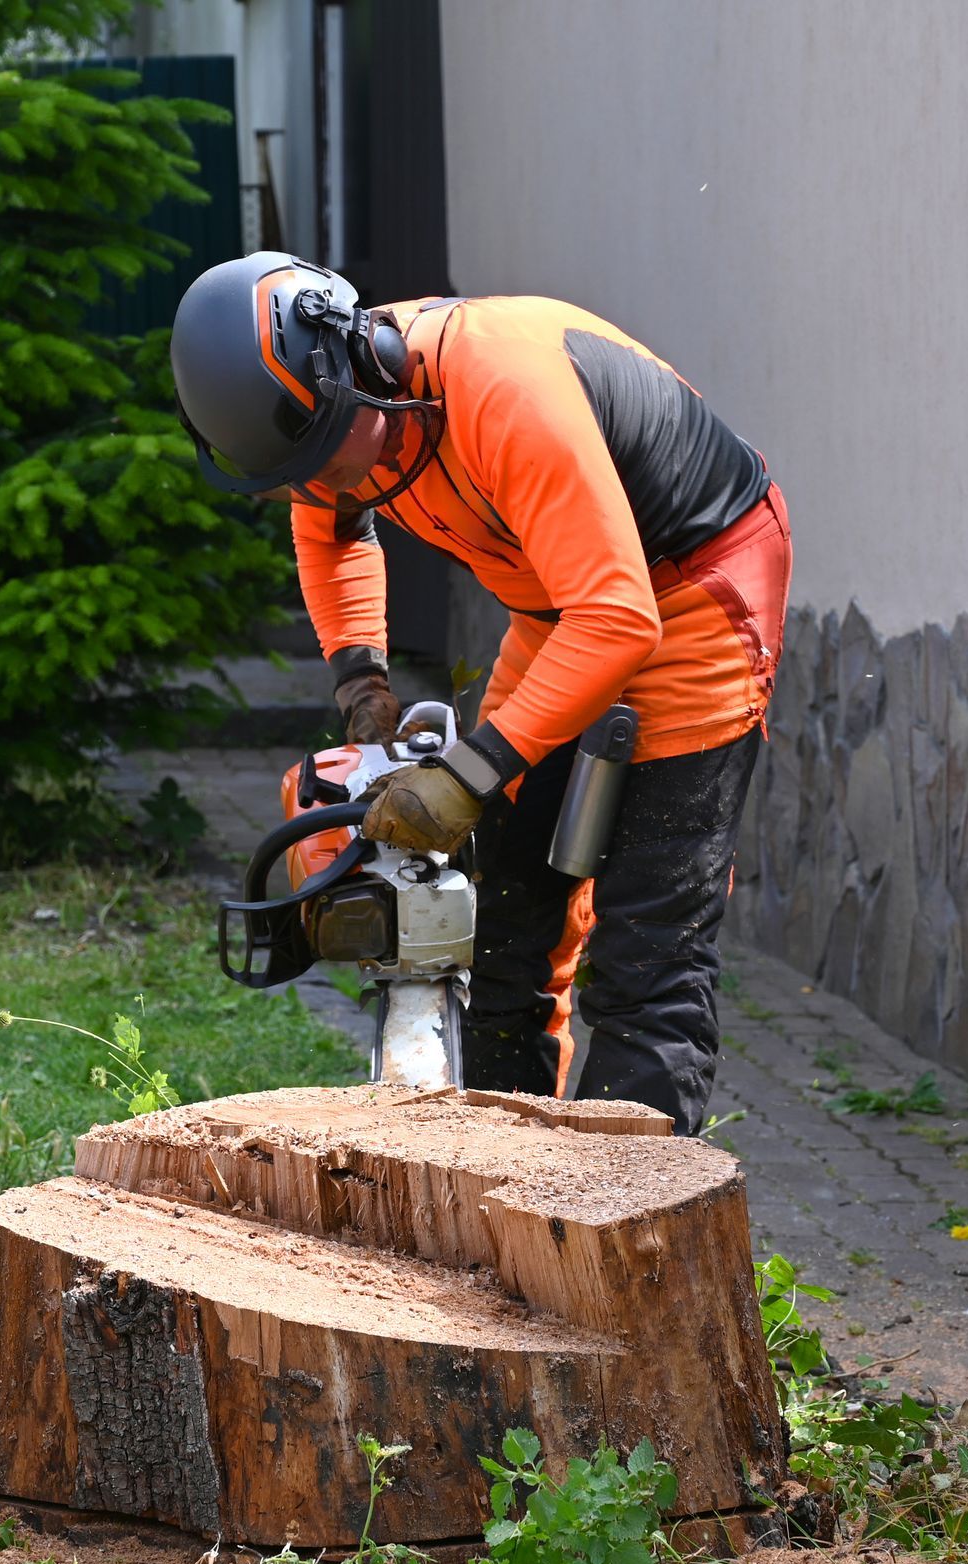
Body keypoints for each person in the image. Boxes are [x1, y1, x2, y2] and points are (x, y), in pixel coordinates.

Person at [171, 252, 791, 1135]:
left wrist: (469, 772)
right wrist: (364, 686)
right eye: (293, 473)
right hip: (559, 602)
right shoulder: (328, 417)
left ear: (357, 372)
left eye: (320, 459)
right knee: (502, 922)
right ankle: (500, 1176)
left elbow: (620, 619)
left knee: (646, 954)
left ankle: (628, 1231)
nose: (318, 487)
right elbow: (334, 534)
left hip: (697, 592)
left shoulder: (503, 389)